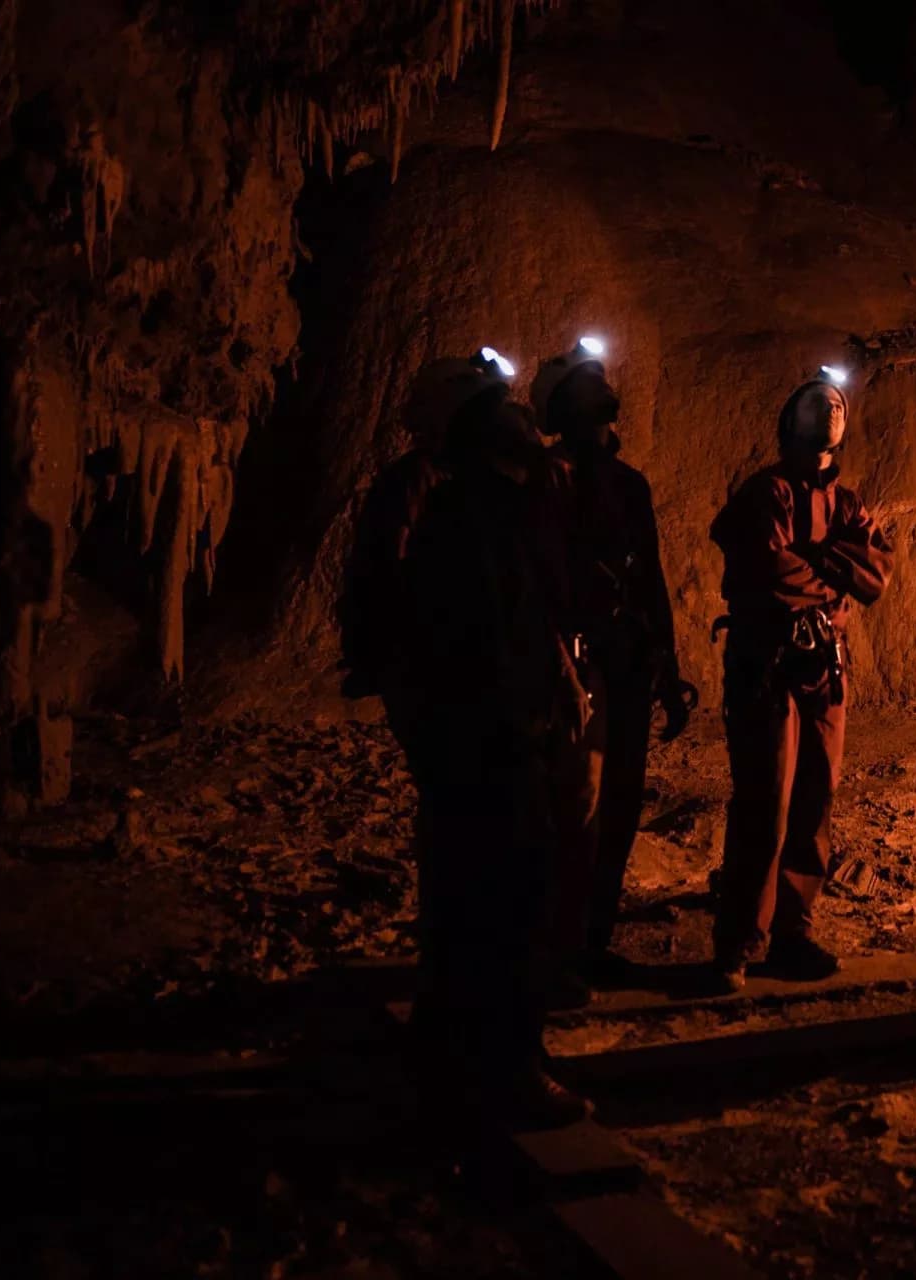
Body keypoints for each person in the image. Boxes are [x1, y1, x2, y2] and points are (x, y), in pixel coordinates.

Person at [341, 347, 590, 1132]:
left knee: (468, 898)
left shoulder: (491, 513)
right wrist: (522, 724)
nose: (531, 425)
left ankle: (448, 1055)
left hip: (487, 738)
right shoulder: (465, 520)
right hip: (488, 744)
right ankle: (509, 1070)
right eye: (512, 414)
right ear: (487, 435)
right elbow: (478, 640)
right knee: (510, 902)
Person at [707, 368, 894, 993]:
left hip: (822, 669)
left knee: (815, 797)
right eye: (817, 404)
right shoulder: (766, 493)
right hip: (768, 666)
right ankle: (738, 943)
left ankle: (793, 932)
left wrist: (819, 568)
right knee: (766, 800)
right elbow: (768, 565)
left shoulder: (847, 502)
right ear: (791, 424)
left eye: (836, 405)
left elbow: (876, 574)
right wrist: (833, 573)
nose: (830, 408)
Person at [529, 338, 696, 984]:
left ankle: (590, 943)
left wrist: (670, 671)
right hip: (581, 666)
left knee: (620, 807)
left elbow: (650, 578)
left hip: (625, 662)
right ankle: (562, 950)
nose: (602, 389)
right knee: (578, 811)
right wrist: (559, 672)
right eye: (587, 383)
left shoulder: (629, 485)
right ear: (565, 408)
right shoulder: (549, 479)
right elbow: (540, 583)